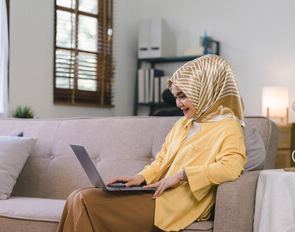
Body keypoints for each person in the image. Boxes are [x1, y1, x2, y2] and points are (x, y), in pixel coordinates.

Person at [57, 54, 247, 232]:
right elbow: (161, 160)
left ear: (205, 90)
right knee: (76, 195)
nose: (178, 104)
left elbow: (231, 168)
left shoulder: (228, 127)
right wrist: (140, 178)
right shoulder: (183, 124)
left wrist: (182, 175)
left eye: (183, 96)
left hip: (177, 204)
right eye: (176, 97)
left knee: (84, 199)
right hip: (153, 192)